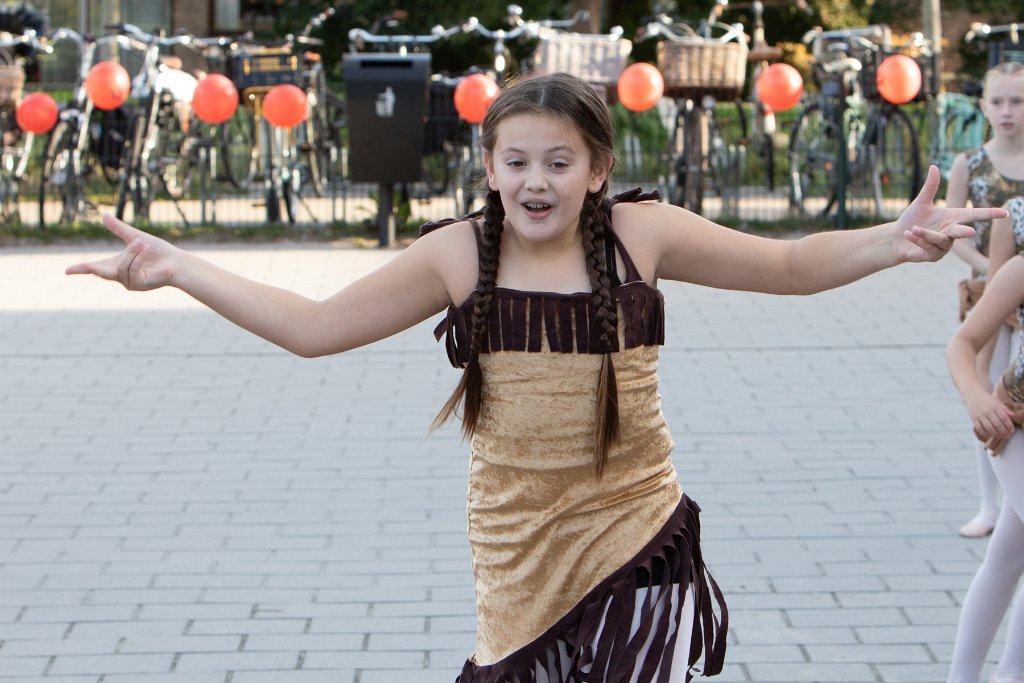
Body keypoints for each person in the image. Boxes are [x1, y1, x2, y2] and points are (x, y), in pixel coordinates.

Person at [66, 73, 1004, 682]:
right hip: (514, 550)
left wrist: (892, 242)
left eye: (559, 161)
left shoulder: (646, 233)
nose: (536, 180)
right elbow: (312, 329)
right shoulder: (456, 255)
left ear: (597, 169)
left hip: (638, 534)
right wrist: (181, 267)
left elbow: (791, 265)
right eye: (516, 161)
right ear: (488, 166)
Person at [946, 195, 1024, 683]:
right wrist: (976, 397)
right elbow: (964, 342)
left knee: (1007, 554)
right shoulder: (1018, 270)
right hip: (1017, 426)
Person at [945, 61, 1024, 539]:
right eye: (998, 101)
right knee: (984, 383)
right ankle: (989, 502)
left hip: (1021, 290)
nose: (1008, 110)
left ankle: (1013, 494)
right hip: (991, 289)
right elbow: (954, 231)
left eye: (1017, 101)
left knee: (1017, 387)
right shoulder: (969, 163)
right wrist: (989, 269)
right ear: (983, 107)